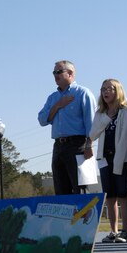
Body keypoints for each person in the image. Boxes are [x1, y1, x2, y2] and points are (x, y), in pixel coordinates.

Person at [38, 60, 96, 195]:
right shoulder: (53, 98)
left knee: (79, 188)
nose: (55, 75)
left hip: (78, 145)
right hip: (58, 146)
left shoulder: (83, 93)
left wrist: (89, 145)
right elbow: (42, 120)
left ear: (70, 73)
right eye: (54, 72)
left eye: (59, 72)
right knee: (61, 190)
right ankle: (68, 216)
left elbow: (92, 124)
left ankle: (83, 216)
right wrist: (58, 105)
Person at [88, 79, 127, 243]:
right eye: (103, 89)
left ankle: (125, 231)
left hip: (121, 159)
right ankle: (113, 231)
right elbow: (93, 134)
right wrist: (106, 118)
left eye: (110, 88)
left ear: (118, 91)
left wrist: (118, 163)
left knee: (123, 194)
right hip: (104, 159)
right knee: (110, 196)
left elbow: (125, 139)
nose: (106, 92)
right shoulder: (100, 114)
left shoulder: (126, 112)